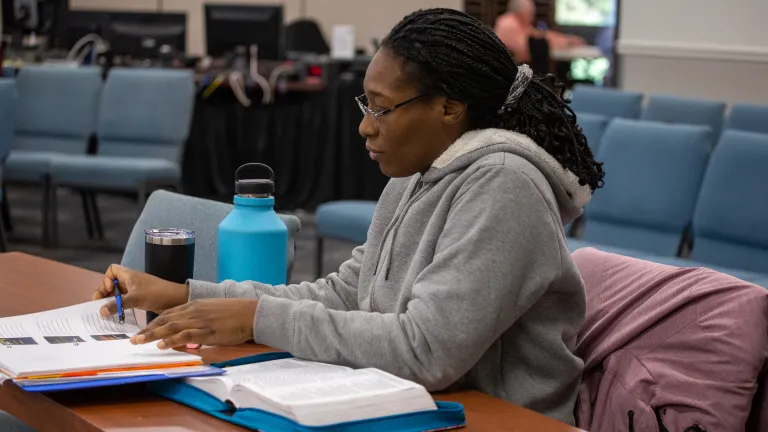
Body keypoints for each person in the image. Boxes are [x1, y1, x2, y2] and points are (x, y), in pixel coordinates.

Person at [93, 8, 604, 425]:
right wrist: (186, 296)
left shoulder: (504, 184)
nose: (364, 127)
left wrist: (257, 318)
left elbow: (426, 350)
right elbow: (345, 294)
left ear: (450, 108)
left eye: (381, 108)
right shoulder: (418, 173)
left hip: (500, 417)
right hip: (415, 401)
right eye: (367, 104)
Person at [495, 0, 587, 62]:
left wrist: (567, 40)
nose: (532, 17)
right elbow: (527, 47)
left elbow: (540, 35)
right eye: (530, 13)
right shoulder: (508, 23)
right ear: (520, 11)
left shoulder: (522, 23)